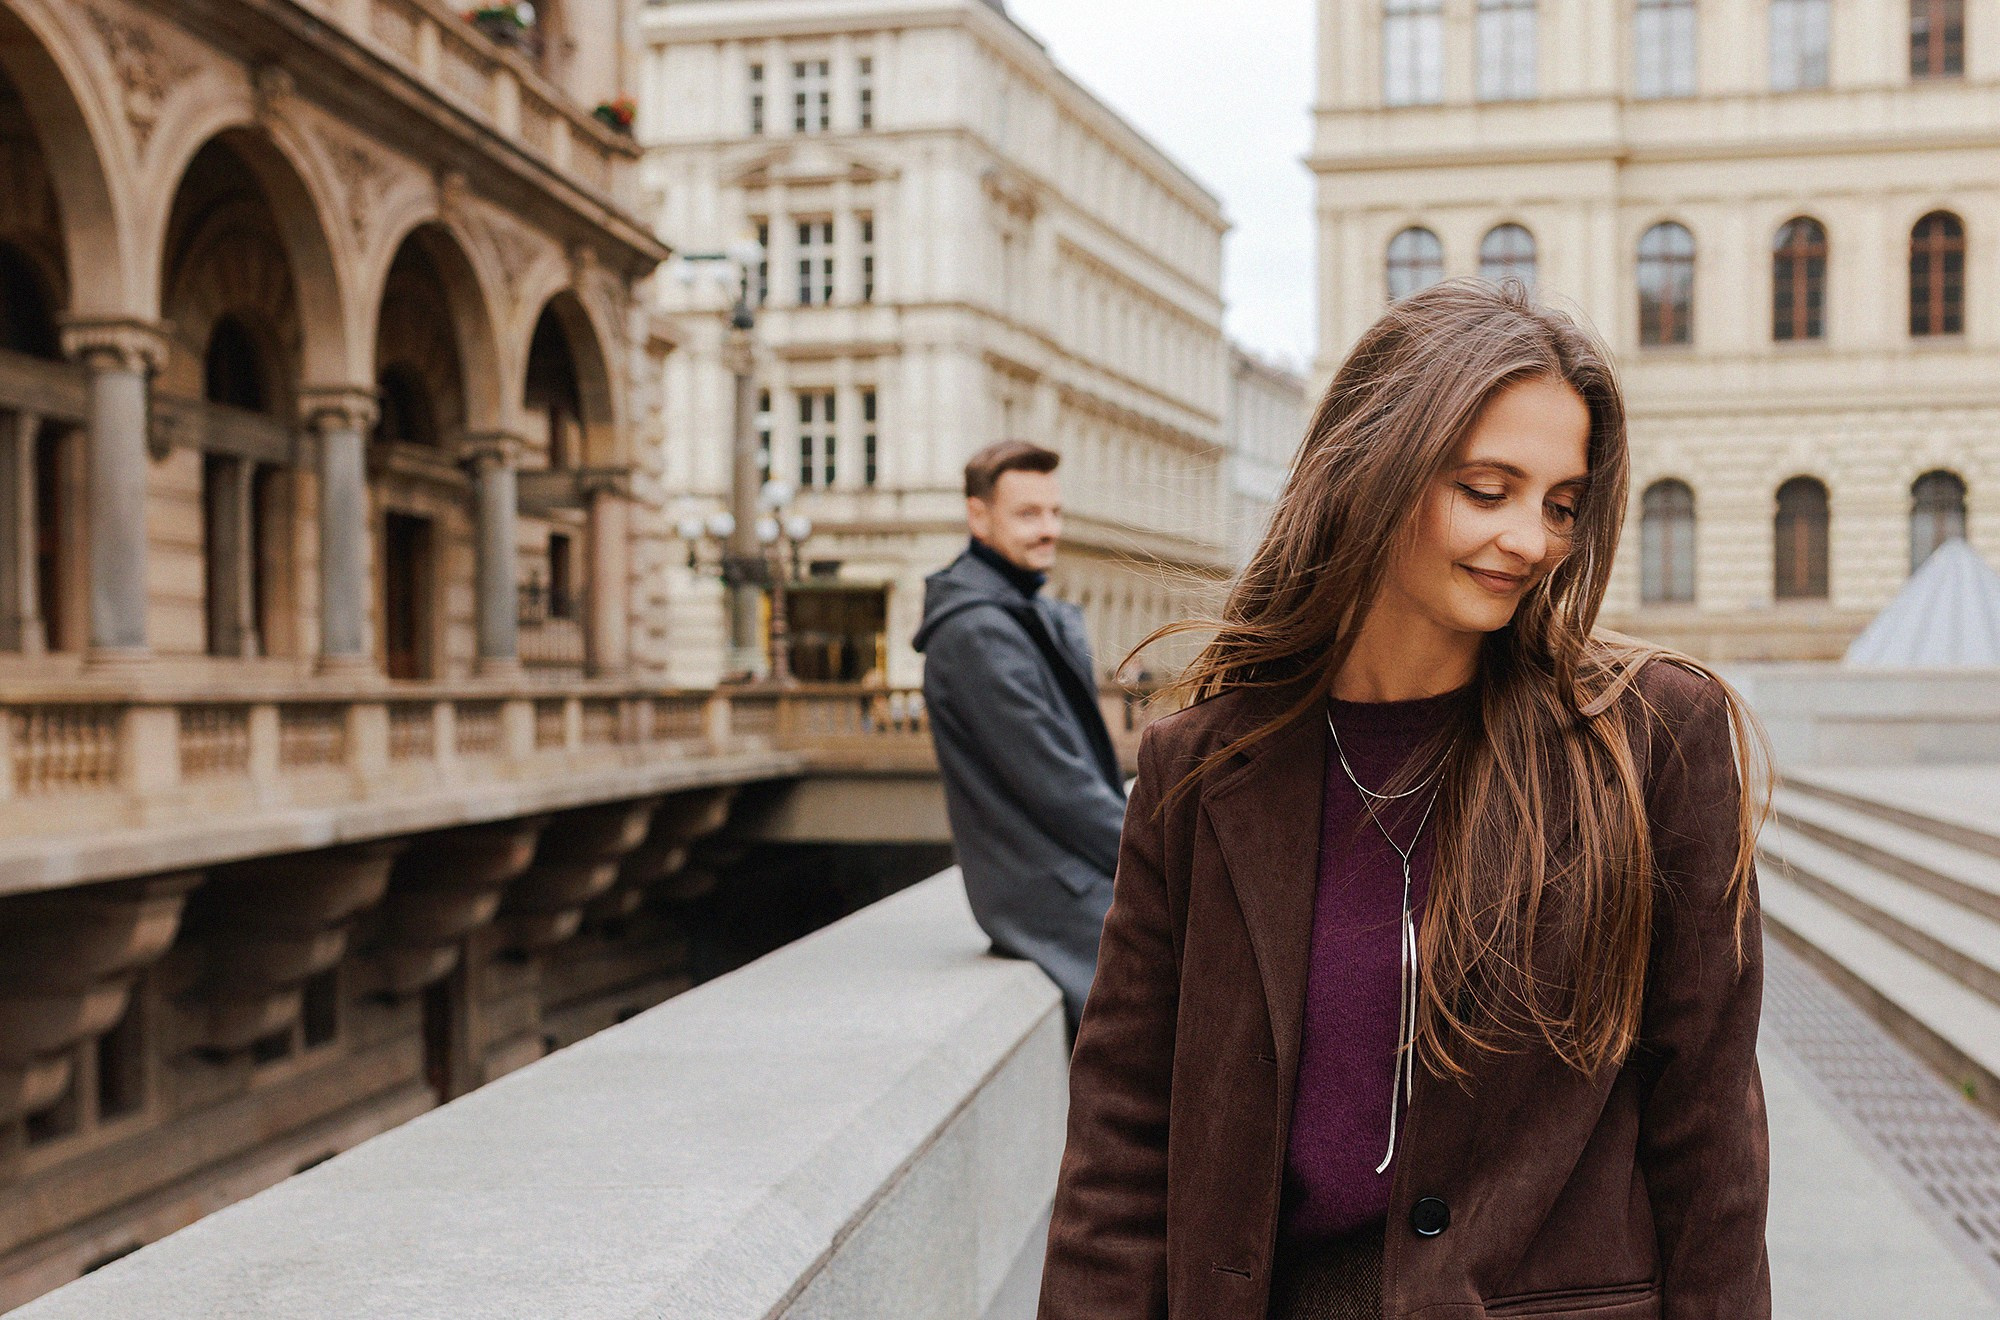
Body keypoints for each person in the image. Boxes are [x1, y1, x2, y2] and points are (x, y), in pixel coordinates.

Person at [1038, 281, 1773, 1319]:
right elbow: (1119, 1145)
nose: (1530, 539)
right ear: (1374, 470)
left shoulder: (1651, 740)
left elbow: (1708, 1143)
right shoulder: (1200, 772)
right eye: (1487, 489)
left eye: (1559, 504)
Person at [914, 441, 1128, 1031]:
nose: (1049, 530)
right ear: (977, 517)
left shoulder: (1009, 615)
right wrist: (1154, 860)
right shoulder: (980, 633)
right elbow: (1060, 788)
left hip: (1061, 880)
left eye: (1055, 513)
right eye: (1028, 515)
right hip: (1050, 894)